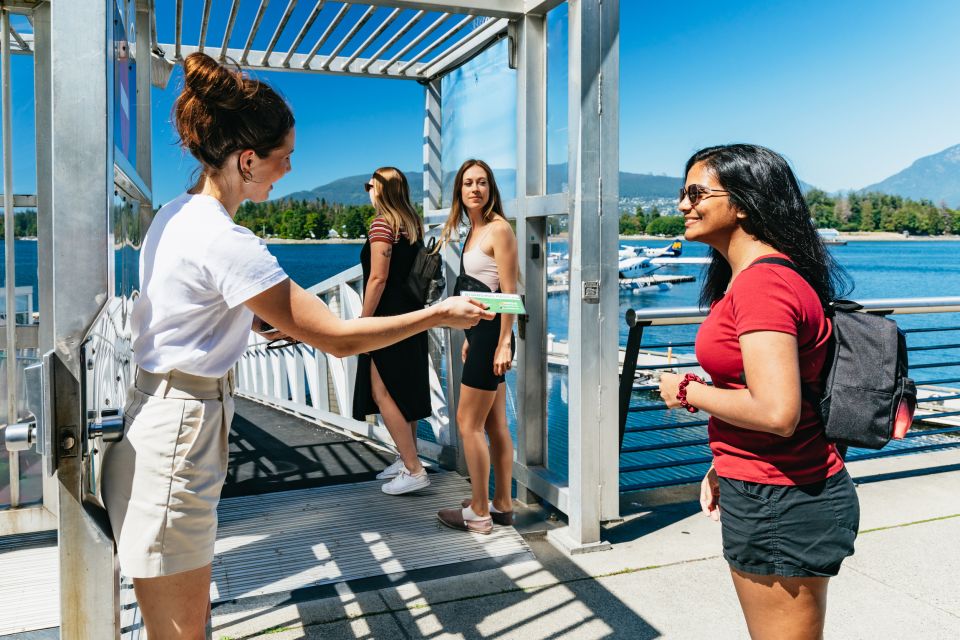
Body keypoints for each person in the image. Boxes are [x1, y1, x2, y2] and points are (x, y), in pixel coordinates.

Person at [100, 52, 491, 640]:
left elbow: (189, 311)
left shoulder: (176, 215)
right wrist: (439, 313)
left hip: (164, 414)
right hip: (178, 434)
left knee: (183, 623)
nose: (288, 169)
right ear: (247, 159)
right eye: (283, 158)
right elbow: (335, 339)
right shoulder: (225, 240)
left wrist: (248, 322)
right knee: (180, 632)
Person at [658, 144, 859, 640]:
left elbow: (776, 411)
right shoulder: (755, 279)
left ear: (743, 202)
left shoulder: (761, 286)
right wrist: (723, 462)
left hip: (781, 499)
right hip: (769, 486)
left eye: (695, 192)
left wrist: (686, 390)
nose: (682, 205)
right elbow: (761, 393)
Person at [435, 160, 518, 534]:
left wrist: (502, 344)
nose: (475, 189)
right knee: (495, 424)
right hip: (481, 337)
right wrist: (472, 340)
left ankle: (479, 512)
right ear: (460, 190)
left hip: (493, 338)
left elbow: (510, 294)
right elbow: (481, 290)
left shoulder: (498, 229)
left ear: (491, 188)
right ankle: (502, 504)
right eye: (468, 183)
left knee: (467, 424)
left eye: (482, 182)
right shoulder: (474, 230)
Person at [352, 167, 432, 495]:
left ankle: (414, 469)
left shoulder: (383, 224)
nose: (368, 190)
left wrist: (363, 321)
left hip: (386, 318)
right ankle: (407, 458)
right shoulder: (411, 224)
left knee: (382, 391)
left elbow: (378, 278)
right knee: (404, 390)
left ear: (382, 189)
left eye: (370, 184)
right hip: (412, 315)